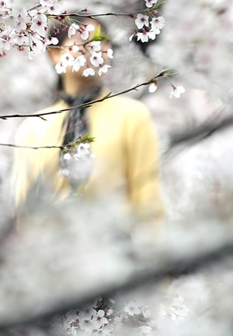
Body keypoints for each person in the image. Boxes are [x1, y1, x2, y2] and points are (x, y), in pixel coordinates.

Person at [11, 17, 164, 227]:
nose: (95, 48)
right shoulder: (34, 127)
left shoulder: (132, 116)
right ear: (55, 53)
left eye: (102, 41)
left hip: (117, 245)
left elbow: (147, 198)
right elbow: (25, 209)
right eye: (83, 41)